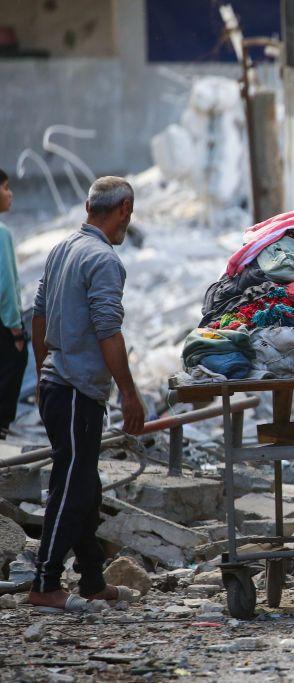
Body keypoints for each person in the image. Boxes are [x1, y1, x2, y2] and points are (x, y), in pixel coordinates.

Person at [28, 176, 146, 612]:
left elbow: (38, 316)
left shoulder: (62, 250)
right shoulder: (103, 260)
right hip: (77, 390)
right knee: (73, 486)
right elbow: (108, 331)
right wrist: (129, 393)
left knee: (84, 485)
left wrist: (45, 368)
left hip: (56, 384)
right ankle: (45, 581)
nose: (124, 226)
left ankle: (93, 579)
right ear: (123, 210)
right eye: (126, 218)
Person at [0, 169, 27, 440]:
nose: (10, 193)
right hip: (4, 327)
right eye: (6, 187)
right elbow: (6, 287)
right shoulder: (2, 233)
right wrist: (16, 329)